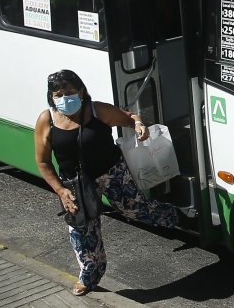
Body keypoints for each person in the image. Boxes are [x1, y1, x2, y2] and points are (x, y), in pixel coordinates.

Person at [34, 69, 177, 296]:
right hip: (75, 184)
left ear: (81, 92)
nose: (63, 98)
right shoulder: (47, 119)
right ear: (51, 97)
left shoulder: (96, 110)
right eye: (57, 94)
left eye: (69, 92)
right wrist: (60, 191)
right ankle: (89, 276)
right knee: (82, 231)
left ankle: (173, 216)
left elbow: (130, 118)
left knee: (135, 211)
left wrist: (139, 125)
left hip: (111, 173)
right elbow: (42, 162)